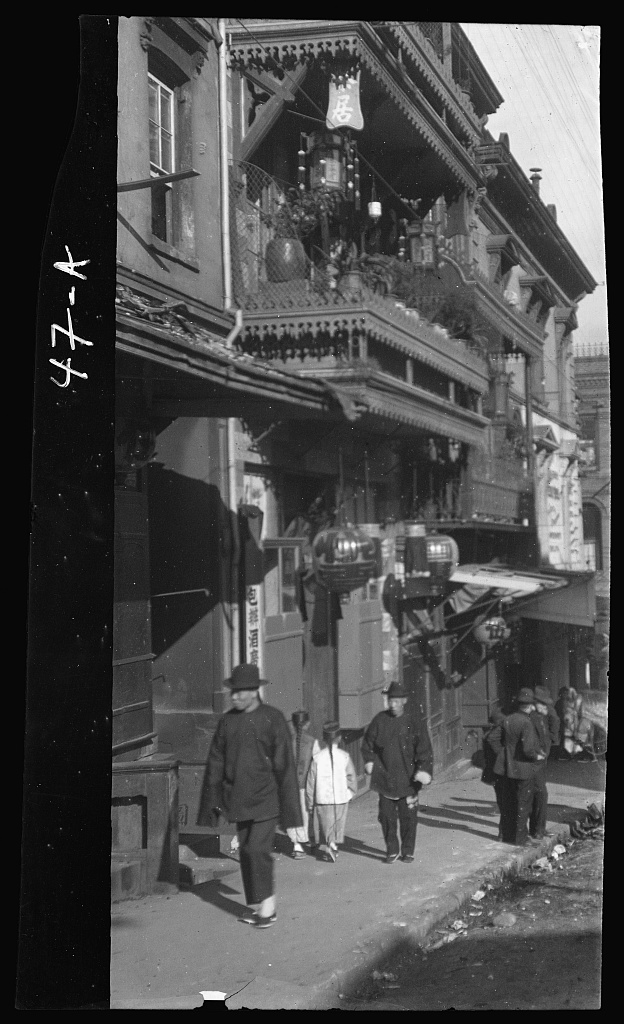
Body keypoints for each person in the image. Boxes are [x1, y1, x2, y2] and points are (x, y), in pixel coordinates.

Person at [198, 663, 302, 928]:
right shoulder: (227, 721)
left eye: (240, 692)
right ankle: (259, 905)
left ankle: (268, 908)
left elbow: (285, 767)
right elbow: (216, 763)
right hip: (238, 799)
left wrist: (291, 813)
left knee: (257, 849)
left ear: (255, 691)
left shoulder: (273, 718)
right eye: (232, 692)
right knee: (246, 851)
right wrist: (212, 805)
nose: (234, 697)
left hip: (267, 798)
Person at [362, 680, 434, 864]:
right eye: (390, 701)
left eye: (396, 701)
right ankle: (391, 849)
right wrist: (370, 762)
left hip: (408, 780)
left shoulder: (414, 721)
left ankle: (408, 851)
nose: (392, 705)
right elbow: (367, 744)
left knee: (408, 818)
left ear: (404, 701)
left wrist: (423, 770)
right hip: (385, 778)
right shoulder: (379, 720)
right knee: (386, 817)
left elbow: (424, 749)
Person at [489, 687, 546, 847]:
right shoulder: (526, 722)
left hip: (508, 769)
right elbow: (528, 750)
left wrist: (504, 753)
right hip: (523, 769)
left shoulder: (508, 719)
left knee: (510, 803)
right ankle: (520, 839)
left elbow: (492, 738)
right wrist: (538, 756)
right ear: (529, 706)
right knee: (523, 803)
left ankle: (507, 836)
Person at [306, 721, 357, 862]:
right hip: (340, 797)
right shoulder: (344, 756)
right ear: (339, 738)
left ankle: (330, 844)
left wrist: (310, 802)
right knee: (337, 823)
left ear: (324, 739)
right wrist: (350, 793)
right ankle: (332, 844)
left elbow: (311, 782)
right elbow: (351, 777)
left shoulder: (317, 758)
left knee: (325, 823)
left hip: (322, 798)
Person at [286, 710, 320, 859]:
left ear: (292, 724)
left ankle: (297, 846)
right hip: (308, 785)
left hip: (289, 786)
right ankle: (312, 840)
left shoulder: (286, 741)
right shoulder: (313, 742)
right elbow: (318, 765)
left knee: (294, 814)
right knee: (309, 812)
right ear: (308, 724)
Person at [529, 686, 560, 840]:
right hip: (534, 761)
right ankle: (537, 830)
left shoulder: (540, 715)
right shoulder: (533, 717)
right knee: (540, 793)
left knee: (538, 793)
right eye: (544, 704)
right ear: (536, 703)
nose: (547, 707)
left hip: (540, 758)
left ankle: (537, 829)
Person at [481, 706, 507, 839]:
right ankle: (504, 832)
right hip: (502, 772)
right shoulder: (496, 732)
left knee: (503, 802)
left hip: (495, 772)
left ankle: (503, 832)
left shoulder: (489, 733)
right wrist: (504, 755)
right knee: (507, 802)